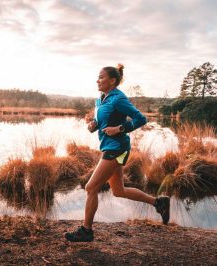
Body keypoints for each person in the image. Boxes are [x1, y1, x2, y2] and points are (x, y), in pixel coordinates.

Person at [65, 64, 170, 242]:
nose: (97, 80)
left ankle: (86, 231)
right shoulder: (101, 99)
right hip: (108, 147)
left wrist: (120, 128)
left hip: (117, 149)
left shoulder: (118, 98)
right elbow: (101, 120)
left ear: (112, 80)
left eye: (101, 77)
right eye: (97, 77)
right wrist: (94, 125)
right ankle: (158, 202)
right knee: (118, 191)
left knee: (91, 187)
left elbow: (141, 119)